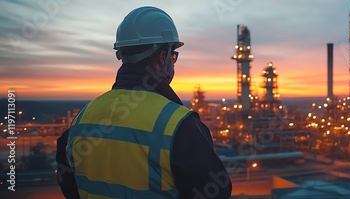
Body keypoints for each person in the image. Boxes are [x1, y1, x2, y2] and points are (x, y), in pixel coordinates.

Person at [56, 6, 232, 199]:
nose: (173, 62)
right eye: (173, 55)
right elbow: (216, 193)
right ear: (163, 57)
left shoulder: (83, 118)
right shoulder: (178, 124)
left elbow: (67, 181)